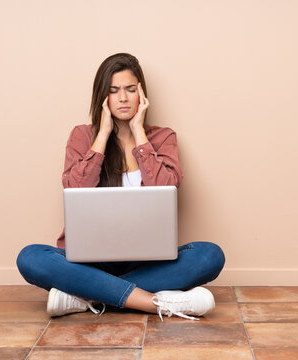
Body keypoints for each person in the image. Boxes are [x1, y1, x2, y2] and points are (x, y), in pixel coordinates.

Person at [16, 53, 225, 321]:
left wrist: (139, 135)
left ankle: (85, 295)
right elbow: (75, 188)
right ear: (102, 97)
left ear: (142, 94)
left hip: (148, 260)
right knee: (30, 257)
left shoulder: (163, 137)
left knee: (209, 256)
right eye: (114, 91)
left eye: (130, 89)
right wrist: (102, 135)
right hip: (89, 260)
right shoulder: (82, 136)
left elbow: (167, 187)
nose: (123, 98)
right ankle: (154, 302)